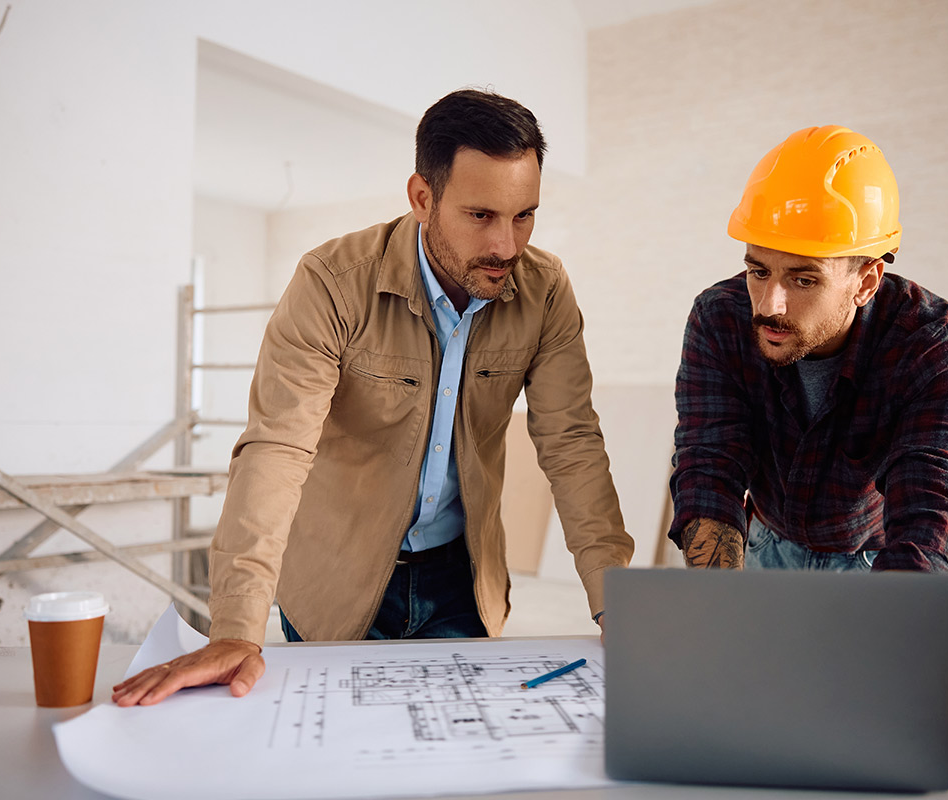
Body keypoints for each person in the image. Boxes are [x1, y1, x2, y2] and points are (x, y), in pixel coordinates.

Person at [113, 89, 633, 706]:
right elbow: (276, 449)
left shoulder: (544, 291)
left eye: (524, 216)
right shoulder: (331, 284)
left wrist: (617, 606)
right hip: (336, 582)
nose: (506, 247)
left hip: (462, 583)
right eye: (480, 216)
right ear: (422, 197)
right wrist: (234, 628)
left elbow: (571, 443)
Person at [670, 125, 948, 574]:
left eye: (804, 280)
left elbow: (932, 510)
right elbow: (709, 459)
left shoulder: (938, 350)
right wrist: (721, 603)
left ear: (866, 282)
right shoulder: (719, 318)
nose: (769, 305)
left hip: (876, 563)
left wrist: (912, 626)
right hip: (762, 543)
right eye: (759, 271)